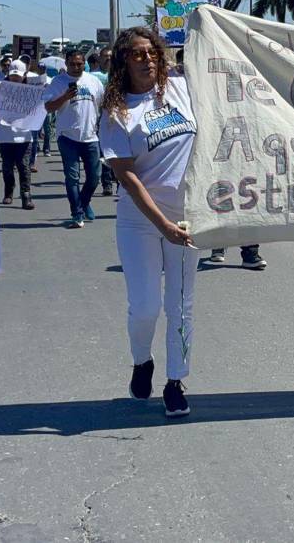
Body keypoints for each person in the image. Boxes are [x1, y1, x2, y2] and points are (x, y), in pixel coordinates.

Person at [99, 26, 199, 418]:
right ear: (124, 61)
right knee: (146, 306)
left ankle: (176, 381)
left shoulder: (181, 89)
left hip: (187, 219)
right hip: (140, 221)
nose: (147, 59)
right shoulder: (118, 111)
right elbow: (127, 176)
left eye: (151, 52)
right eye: (137, 54)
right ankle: (142, 361)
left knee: (181, 305)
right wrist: (163, 226)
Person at [45, 49, 105, 228]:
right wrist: (65, 96)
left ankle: (84, 203)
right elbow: (48, 107)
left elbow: (102, 104)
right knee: (72, 178)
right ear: (66, 64)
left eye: (80, 64)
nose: (77, 67)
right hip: (67, 137)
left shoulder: (93, 81)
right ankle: (77, 214)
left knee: (95, 177)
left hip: (90, 136)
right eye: (72, 64)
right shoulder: (58, 82)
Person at [0, 60, 36, 210]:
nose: (15, 78)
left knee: (23, 166)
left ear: (24, 75)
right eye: (13, 75)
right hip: (4, 135)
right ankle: (8, 191)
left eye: (18, 76)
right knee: (7, 166)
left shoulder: (30, 89)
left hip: (24, 135)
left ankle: (26, 195)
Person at [95, 47, 117, 196]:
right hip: (100, 118)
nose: (108, 59)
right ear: (99, 59)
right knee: (104, 153)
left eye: (110, 56)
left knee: (119, 152)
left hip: (118, 118)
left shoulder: (119, 75)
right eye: (105, 56)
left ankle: (119, 181)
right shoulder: (93, 76)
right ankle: (107, 183)